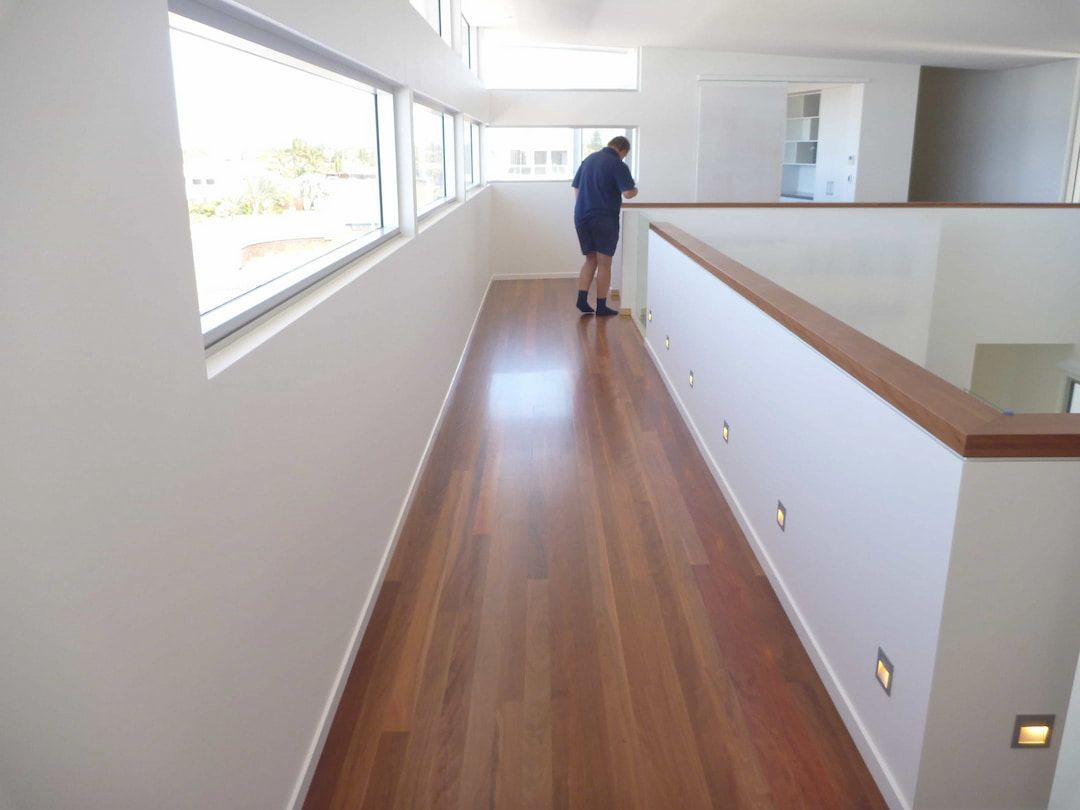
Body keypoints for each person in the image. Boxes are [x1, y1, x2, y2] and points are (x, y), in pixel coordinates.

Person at [571, 136, 638, 316]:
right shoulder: (617, 164)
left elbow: (576, 188)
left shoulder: (588, 160)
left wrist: (583, 208)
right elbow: (628, 193)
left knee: (590, 259)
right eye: (624, 155)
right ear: (622, 150)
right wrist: (635, 189)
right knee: (605, 263)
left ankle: (582, 299)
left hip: (581, 216)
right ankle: (601, 306)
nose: (623, 158)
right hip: (604, 218)